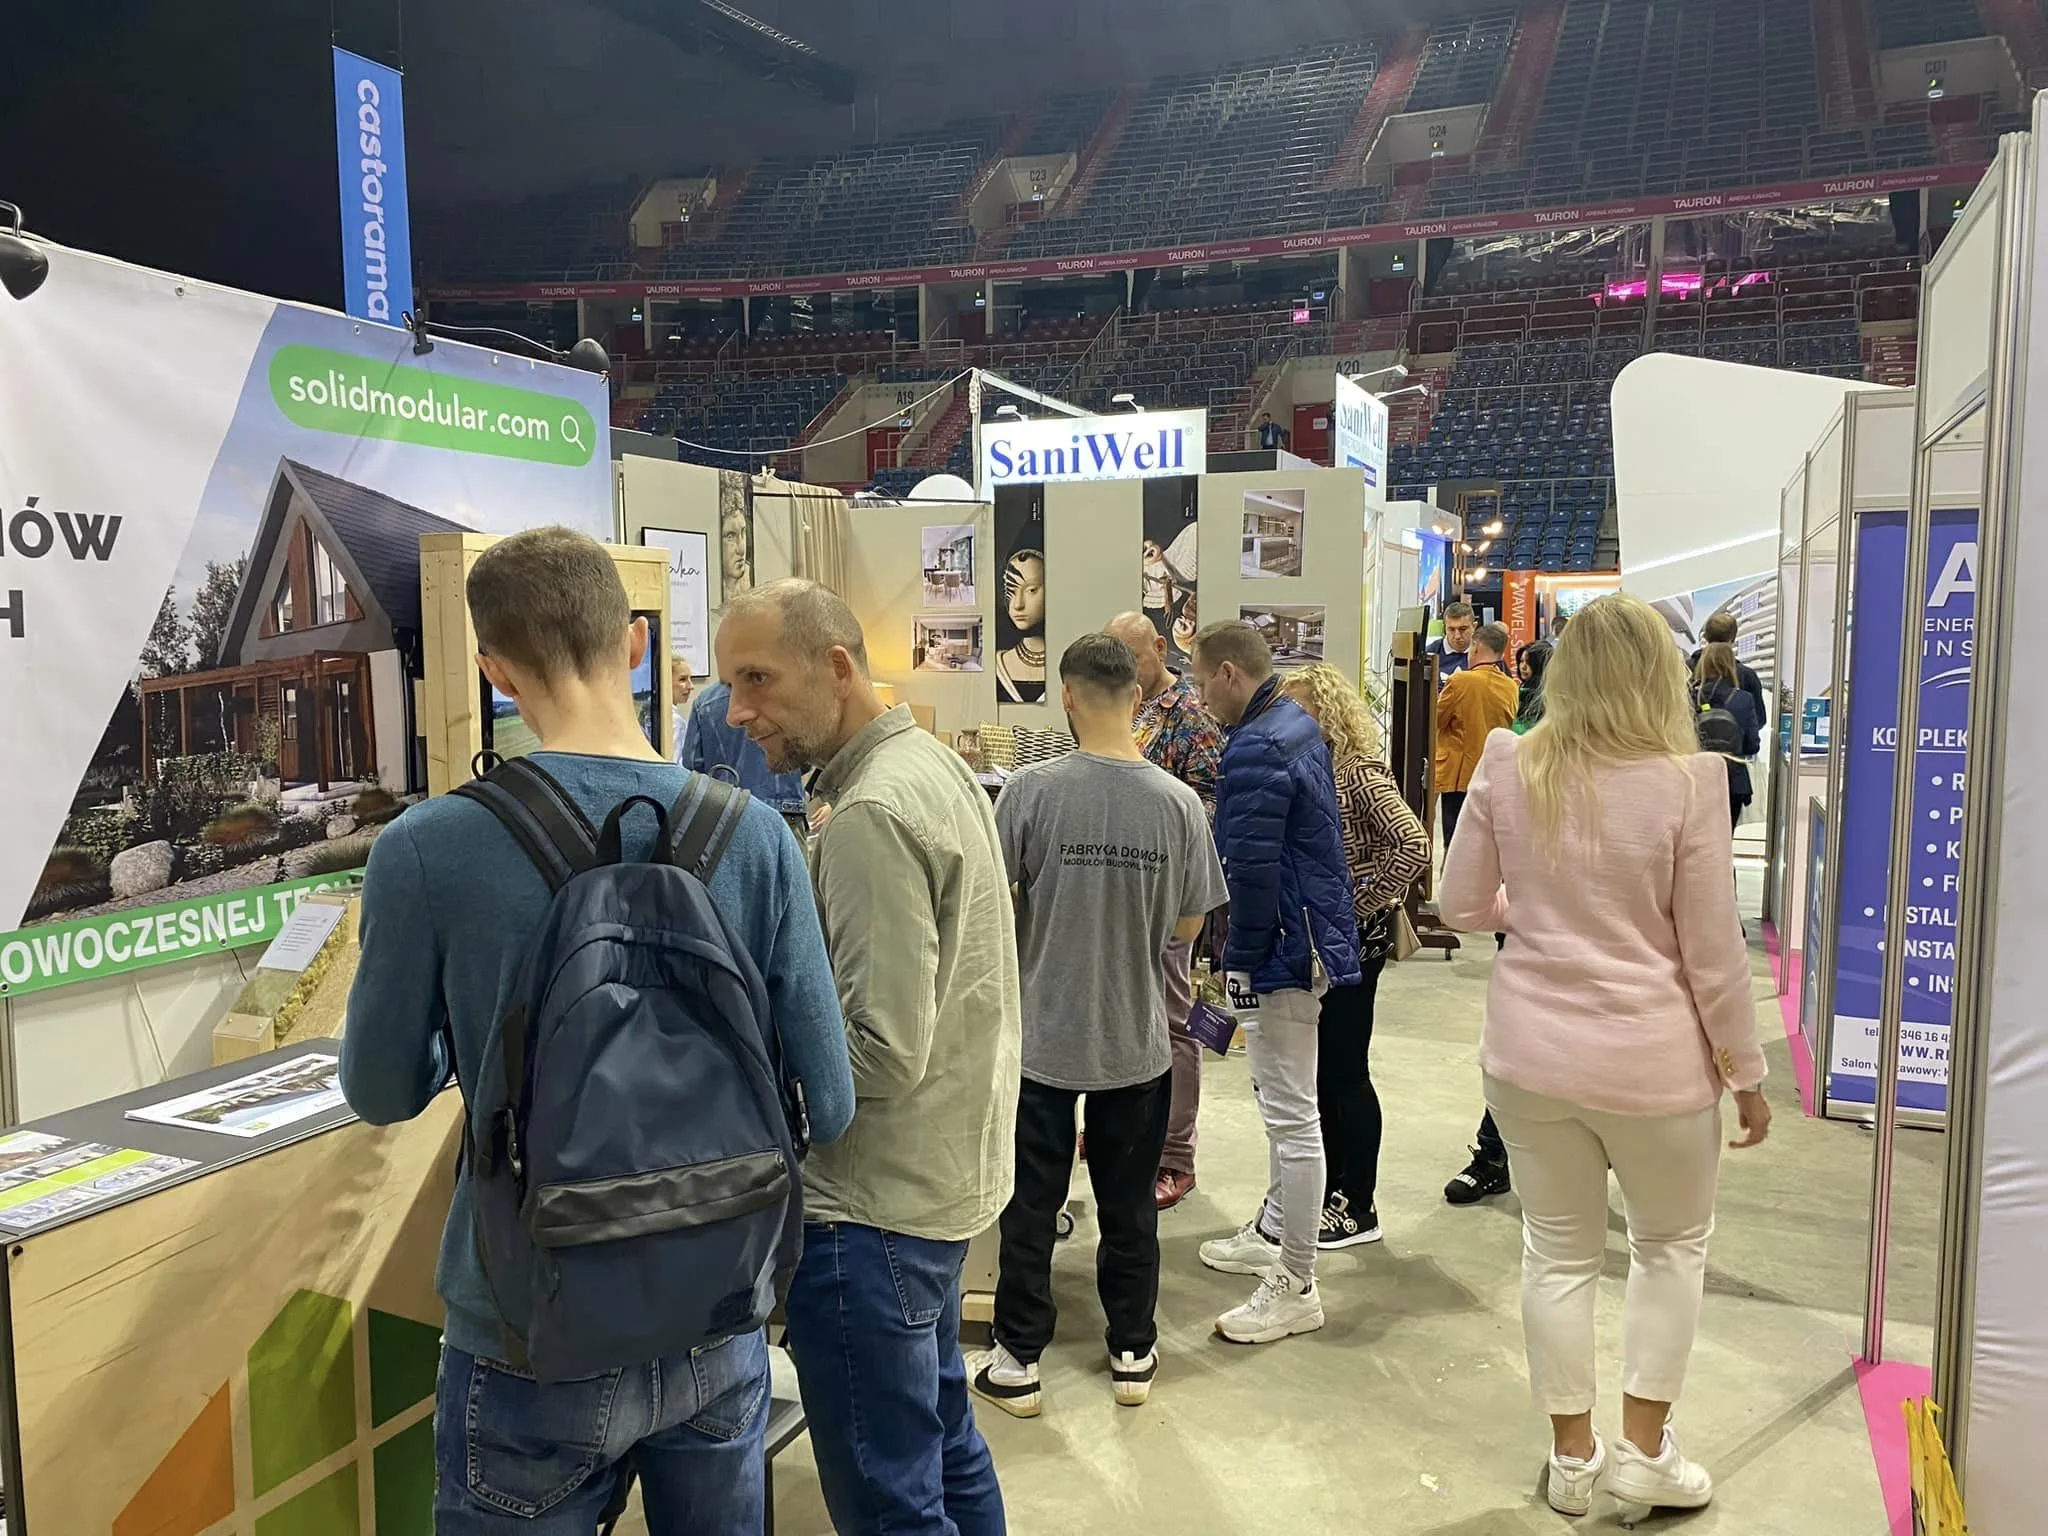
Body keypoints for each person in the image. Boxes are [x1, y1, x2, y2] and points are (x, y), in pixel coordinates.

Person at [339, 528, 856, 1535]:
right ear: (635, 643)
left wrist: (473, 1040)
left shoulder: (425, 849)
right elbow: (828, 1106)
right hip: (718, 1313)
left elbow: (380, 1090)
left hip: (526, 1327)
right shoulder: (756, 837)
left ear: (493, 669)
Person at [1437, 592, 1771, 1521]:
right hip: (1654, 1066)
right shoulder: (1690, 781)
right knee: (1669, 1251)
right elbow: (1713, 954)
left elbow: (1461, 906)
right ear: (1661, 676)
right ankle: (1645, 1452)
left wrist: (1533, 915)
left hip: (1528, 1058)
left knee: (1556, 1256)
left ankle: (1573, 1457)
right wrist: (1746, 1074)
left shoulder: (1509, 761)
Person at [715, 579, 1019, 1536]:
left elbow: (879, 1052)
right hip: (932, 1187)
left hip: (870, 1211)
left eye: (758, 679)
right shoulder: (925, 767)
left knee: (890, 1501)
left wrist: (742, 1051)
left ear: (836, 667)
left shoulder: (872, 813)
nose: (737, 712)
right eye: (731, 685)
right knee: (943, 1441)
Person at [971, 634, 1228, 1418]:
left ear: (1068, 696)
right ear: (1135, 696)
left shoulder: (1029, 792)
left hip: (1041, 1038)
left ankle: (1018, 1361)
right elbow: (1187, 928)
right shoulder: (1179, 804)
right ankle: (1132, 1353)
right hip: (1136, 1041)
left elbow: (993, 905)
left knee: (1029, 1206)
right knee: (1129, 1208)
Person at [1187, 621, 1361, 1344]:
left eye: (1201, 681)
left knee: (1291, 1115)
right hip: (1303, 937)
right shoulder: (1293, 725)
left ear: (1230, 673)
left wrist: (1240, 959)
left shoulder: (1259, 743)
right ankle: (1276, 1236)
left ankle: (1296, 1281)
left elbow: (1252, 871)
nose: (1200, 697)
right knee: (1286, 1107)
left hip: (1283, 947)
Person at [1280, 664, 1429, 1249]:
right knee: (1321, 1071)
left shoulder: (1359, 773)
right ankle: (1331, 1191)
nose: (1289, 718)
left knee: (1345, 1069)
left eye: (1300, 708)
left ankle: (1358, 1204)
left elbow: (1412, 844)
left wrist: (1358, 903)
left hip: (1352, 943)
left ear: (1328, 712)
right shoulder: (1312, 768)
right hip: (1319, 940)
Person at [1106, 611, 1223, 1210]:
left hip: (1170, 898)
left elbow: (1211, 805)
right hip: (1121, 892)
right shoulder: (1129, 709)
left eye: (1132, 657)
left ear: (1159, 646)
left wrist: (1152, 824)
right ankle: (1129, 1128)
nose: (1124, 670)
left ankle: (1176, 1155)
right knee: (1123, 1013)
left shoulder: (1190, 715)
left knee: (1177, 1024)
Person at [1434, 621, 1518, 851]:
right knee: (1485, 842)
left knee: (1455, 842)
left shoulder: (1460, 681)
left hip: (1459, 775)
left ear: (1476, 647)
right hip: (1493, 772)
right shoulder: (1511, 686)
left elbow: (1437, 720)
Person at [679, 677, 809, 815]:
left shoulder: (705, 702)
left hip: (727, 809)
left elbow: (692, 766)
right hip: (784, 807)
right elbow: (806, 756)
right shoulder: (788, 690)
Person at [1691, 641, 1762, 829]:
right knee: (1724, 838)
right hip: (1733, 782)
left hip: (1696, 779)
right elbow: (1752, 745)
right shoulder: (1744, 699)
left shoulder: (1689, 696)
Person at [1687, 611, 1767, 728]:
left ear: (1706, 636)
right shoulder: (1746, 675)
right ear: (1732, 639)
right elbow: (1759, 720)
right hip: (1735, 739)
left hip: (1689, 738)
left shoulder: (1687, 668)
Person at [995, 548, 1047, 704]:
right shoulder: (1000, 663)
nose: (1018, 604)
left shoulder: (1074, 666)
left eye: (1031, 590)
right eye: (1011, 590)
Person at [1428, 599, 1477, 686]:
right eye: (1451, 629)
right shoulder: (1430, 653)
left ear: (1474, 627)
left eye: (1463, 629)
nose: (1457, 636)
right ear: (1444, 628)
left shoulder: (1485, 653)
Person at [1515, 639, 1554, 731]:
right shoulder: (1523, 689)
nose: (1523, 667)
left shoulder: (1542, 696)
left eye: (1529, 663)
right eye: (1521, 661)